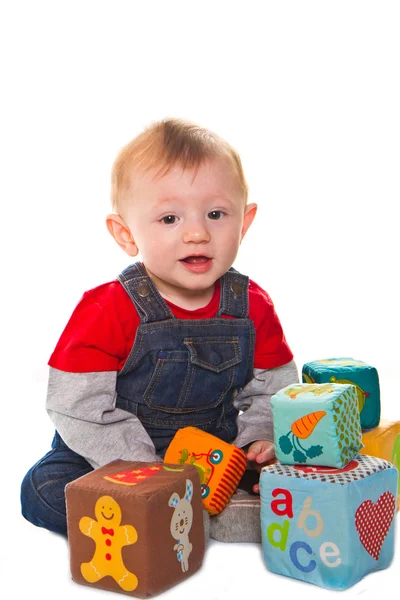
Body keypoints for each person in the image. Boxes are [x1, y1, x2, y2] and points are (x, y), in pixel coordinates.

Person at [21, 118, 298, 542]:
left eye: (216, 214)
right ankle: (176, 520)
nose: (196, 232)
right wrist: (139, 468)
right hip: (109, 455)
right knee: (43, 489)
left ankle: (191, 515)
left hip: (210, 458)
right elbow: (75, 406)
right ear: (125, 234)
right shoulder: (108, 307)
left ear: (244, 222)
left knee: (286, 474)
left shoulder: (251, 305)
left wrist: (258, 437)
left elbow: (273, 390)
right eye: (169, 217)